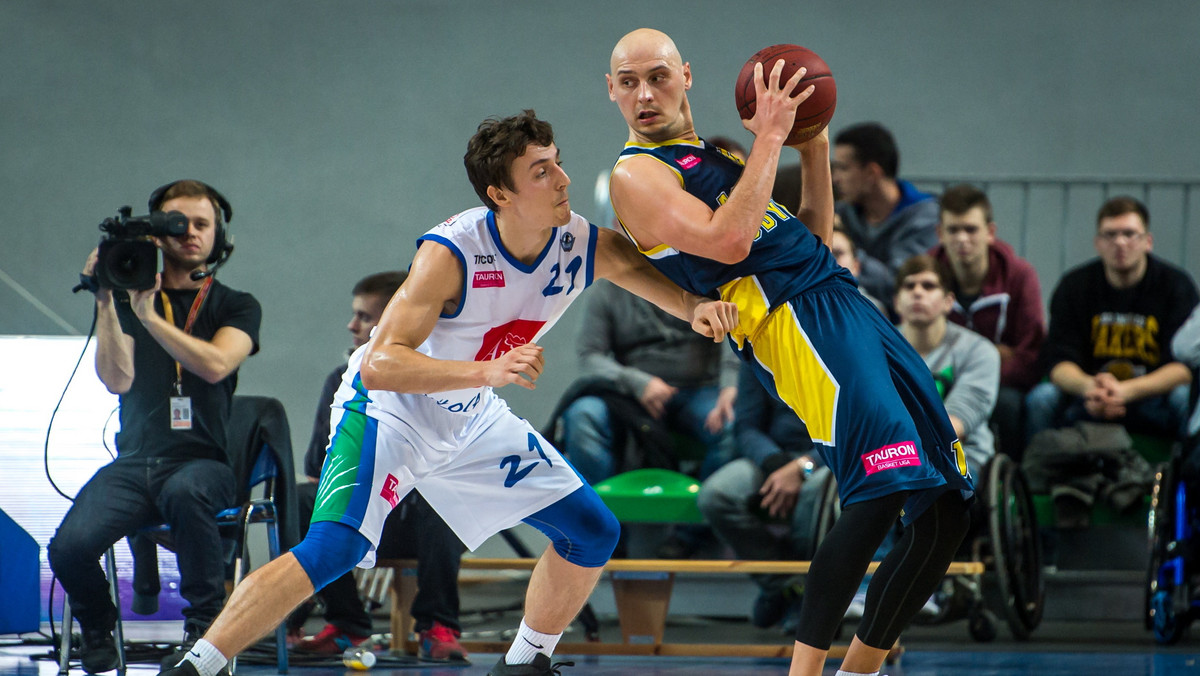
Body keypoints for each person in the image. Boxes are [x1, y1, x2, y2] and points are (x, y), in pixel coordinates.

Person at [157, 110, 736, 676]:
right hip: (390, 412)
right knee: (333, 548)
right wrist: (486, 372)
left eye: (558, 164)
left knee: (592, 529)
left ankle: (524, 662)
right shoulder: (453, 251)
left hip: (470, 416)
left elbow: (647, 277)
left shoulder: (581, 243)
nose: (562, 180)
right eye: (540, 172)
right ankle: (196, 666)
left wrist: (696, 308)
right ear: (499, 194)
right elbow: (381, 364)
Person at [606, 28, 972, 676]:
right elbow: (728, 242)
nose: (644, 93)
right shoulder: (638, 173)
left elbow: (813, 233)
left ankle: (858, 670)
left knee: (946, 505)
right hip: (794, 324)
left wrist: (814, 139)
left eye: (658, 76)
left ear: (686, 75)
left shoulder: (710, 161)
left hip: (845, 301)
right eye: (628, 82)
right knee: (878, 490)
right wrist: (770, 137)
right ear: (611, 91)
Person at [50, 180, 261, 674]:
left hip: (204, 462)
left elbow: (214, 364)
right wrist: (107, 301)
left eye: (201, 224)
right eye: (176, 223)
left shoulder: (236, 304)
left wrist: (148, 316)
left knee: (187, 493)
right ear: (154, 235)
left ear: (219, 235)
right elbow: (116, 379)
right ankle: (98, 628)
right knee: (69, 546)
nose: (189, 233)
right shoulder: (126, 299)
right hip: (136, 461)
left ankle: (204, 631)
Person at [287, 271, 467, 662]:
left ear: (396, 320)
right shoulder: (341, 379)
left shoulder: (449, 377)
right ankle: (345, 622)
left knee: (443, 498)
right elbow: (319, 473)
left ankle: (438, 625)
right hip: (362, 514)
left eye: (364, 317)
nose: (352, 326)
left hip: (422, 523)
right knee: (300, 498)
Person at [1026, 196, 1198, 441]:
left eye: (1129, 234)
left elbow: (1183, 368)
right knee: (1042, 399)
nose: (1119, 242)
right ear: (1097, 243)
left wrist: (1125, 391)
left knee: (1186, 398)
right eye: (1110, 235)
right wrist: (1090, 388)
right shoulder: (1074, 286)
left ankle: (1189, 476)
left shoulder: (1176, 286)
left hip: (1152, 396)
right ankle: (1037, 474)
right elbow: (1058, 362)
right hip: (1089, 395)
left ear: (1147, 241)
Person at [696, 360, 817, 630]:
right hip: (773, 455)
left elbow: (856, 426)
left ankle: (810, 596)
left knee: (813, 494)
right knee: (716, 495)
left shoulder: (842, 344)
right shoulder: (759, 346)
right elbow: (746, 426)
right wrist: (773, 461)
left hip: (829, 459)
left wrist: (804, 466)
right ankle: (783, 584)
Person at [929, 184, 1045, 460]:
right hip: (935, 378)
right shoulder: (925, 275)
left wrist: (981, 373)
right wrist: (996, 354)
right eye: (953, 230)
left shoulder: (1019, 276)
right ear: (940, 234)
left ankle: (1016, 476)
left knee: (1009, 404)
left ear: (990, 233)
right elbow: (908, 338)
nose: (962, 239)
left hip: (1003, 387)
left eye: (970, 229)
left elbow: (1031, 355)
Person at [894, 255, 1000, 477]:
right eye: (909, 286)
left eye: (929, 286)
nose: (918, 292)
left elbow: (956, 423)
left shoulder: (979, 351)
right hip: (892, 457)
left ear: (948, 301)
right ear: (897, 302)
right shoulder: (878, 349)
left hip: (961, 456)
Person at [832, 122, 939, 307]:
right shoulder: (842, 212)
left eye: (843, 168)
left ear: (872, 173)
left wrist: (845, 249)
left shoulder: (925, 218)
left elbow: (898, 284)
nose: (835, 178)